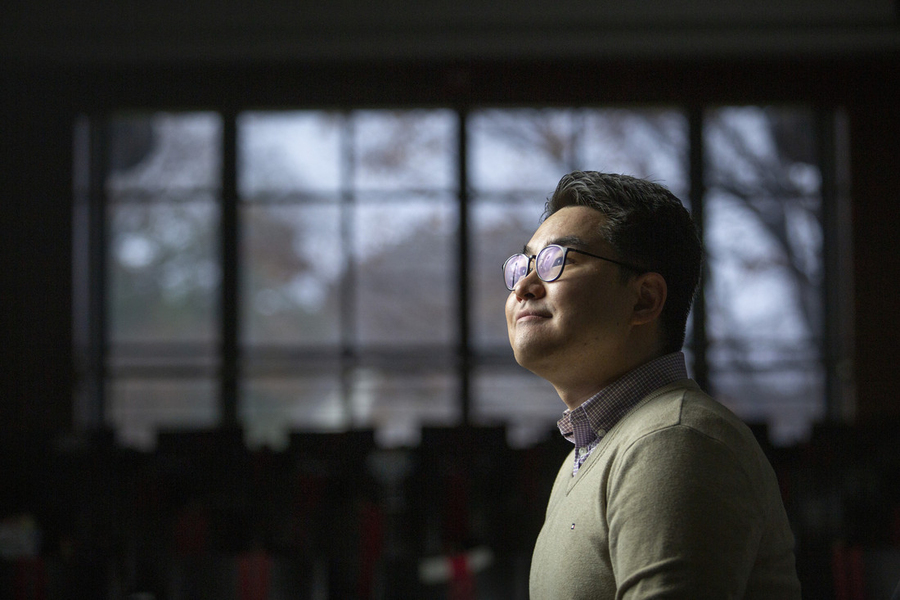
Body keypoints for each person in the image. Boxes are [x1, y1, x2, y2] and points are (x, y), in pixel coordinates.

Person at [504, 171, 801, 598]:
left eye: (556, 261)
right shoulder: (598, 449)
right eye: (523, 265)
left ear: (644, 299)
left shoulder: (672, 439)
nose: (525, 287)